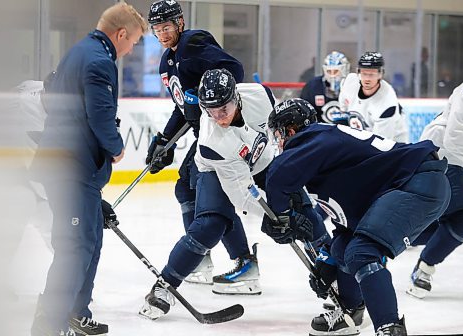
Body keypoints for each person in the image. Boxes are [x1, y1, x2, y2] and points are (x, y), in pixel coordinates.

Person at [140, 69, 329, 320]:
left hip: (263, 161)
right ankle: (164, 286)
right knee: (210, 225)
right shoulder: (211, 141)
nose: (219, 117)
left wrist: (290, 191)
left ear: (236, 97)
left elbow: (279, 137)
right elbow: (242, 196)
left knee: (302, 206)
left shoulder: (260, 95)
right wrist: (277, 218)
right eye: (210, 111)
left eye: (223, 108)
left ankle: (337, 274)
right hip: (216, 170)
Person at [262, 98, 451, 336]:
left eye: (279, 135)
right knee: (344, 249)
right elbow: (347, 227)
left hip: (416, 182)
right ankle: (351, 312)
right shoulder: (328, 157)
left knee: (362, 252)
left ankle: (389, 328)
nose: (278, 143)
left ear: (290, 131)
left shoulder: (311, 138)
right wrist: (327, 260)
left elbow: (278, 175)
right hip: (415, 183)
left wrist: (281, 213)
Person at [29, 3, 147, 336]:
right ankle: (49, 324)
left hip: (73, 169)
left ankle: (75, 313)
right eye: (134, 41)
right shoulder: (98, 60)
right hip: (71, 170)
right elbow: (100, 114)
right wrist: (117, 147)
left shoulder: (80, 51)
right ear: (121, 33)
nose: (132, 49)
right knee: (75, 246)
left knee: (89, 242)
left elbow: (53, 96)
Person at [139, 0, 257, 315]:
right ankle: (203, 257)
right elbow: (185, 109)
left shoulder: (194, 42)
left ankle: (244, 263)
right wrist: (164, 139)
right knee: (186, 189)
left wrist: (207, 96)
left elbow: (234, 70)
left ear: (180, 22)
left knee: (214, 199)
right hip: (203, 132)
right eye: (157, 28)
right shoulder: (167, 62)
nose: (162, 33)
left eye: (167, 26)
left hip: (223, 132)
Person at [407, 53, 463, 299]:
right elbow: (456, 137)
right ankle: (423, 269)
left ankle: (391, 239)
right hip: (439, 153)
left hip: (460, 161)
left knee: (438, 223)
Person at [339, 51, 408, 143]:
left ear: (380, 74)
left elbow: (380, 145)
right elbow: (343, 114)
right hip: (361, 139)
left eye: (371, 74)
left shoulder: (387, 102)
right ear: (358, 73)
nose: (367, 79)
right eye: (364, 73)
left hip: (393, 146)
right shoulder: (350, 82)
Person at [300, 51, 350, 123]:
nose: (332, 75)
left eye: (336, 71)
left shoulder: (354, 86)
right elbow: (304, 112)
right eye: (329, 71)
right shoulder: (313, 86)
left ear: (344, 70)